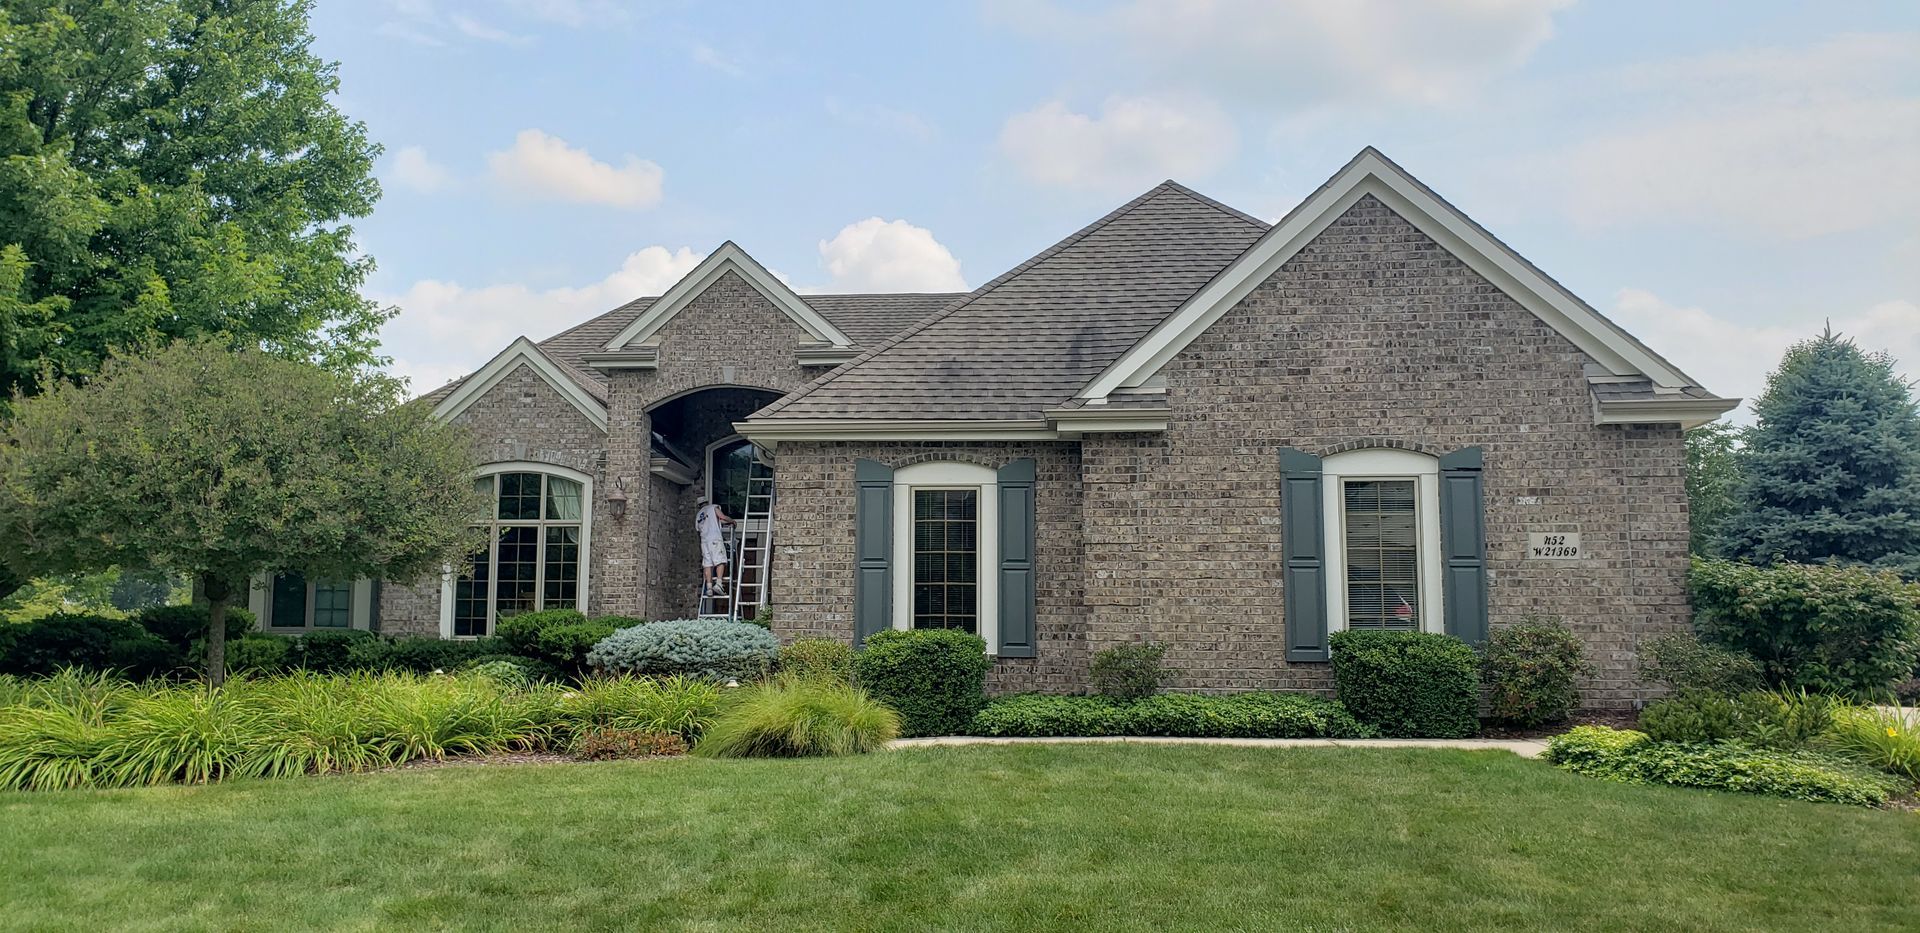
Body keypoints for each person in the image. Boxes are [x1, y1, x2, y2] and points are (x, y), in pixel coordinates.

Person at [694, 494, 735, 597]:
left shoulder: (699, 515)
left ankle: (709, 588)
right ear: (707, 502)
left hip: (704, 541)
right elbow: (722, 517)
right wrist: (732, 521)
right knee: (720, 560)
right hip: (714, 539)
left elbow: (701, 528)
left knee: (707, 564)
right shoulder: (713, 508)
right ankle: (719, 583)